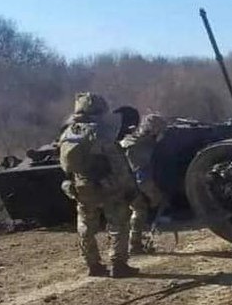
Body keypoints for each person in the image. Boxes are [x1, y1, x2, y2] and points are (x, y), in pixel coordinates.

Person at [58, 92, 140, 278]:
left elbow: (64, 163)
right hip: (108, 184)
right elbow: (116, 162)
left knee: (85, 224)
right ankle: (118, 264)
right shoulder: (100, 131)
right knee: (118, 222)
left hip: (80, 184)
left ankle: (93, 265)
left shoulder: (69, 131)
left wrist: (70, 182)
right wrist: (129, 188)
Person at [120, 113, 167, 253]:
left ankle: (134, 243)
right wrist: (155, 197)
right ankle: (134, 245)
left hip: (123, 180)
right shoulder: (140, 147)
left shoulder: (134, 141)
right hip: (126, 183)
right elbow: (143, 179)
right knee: (139, 209)